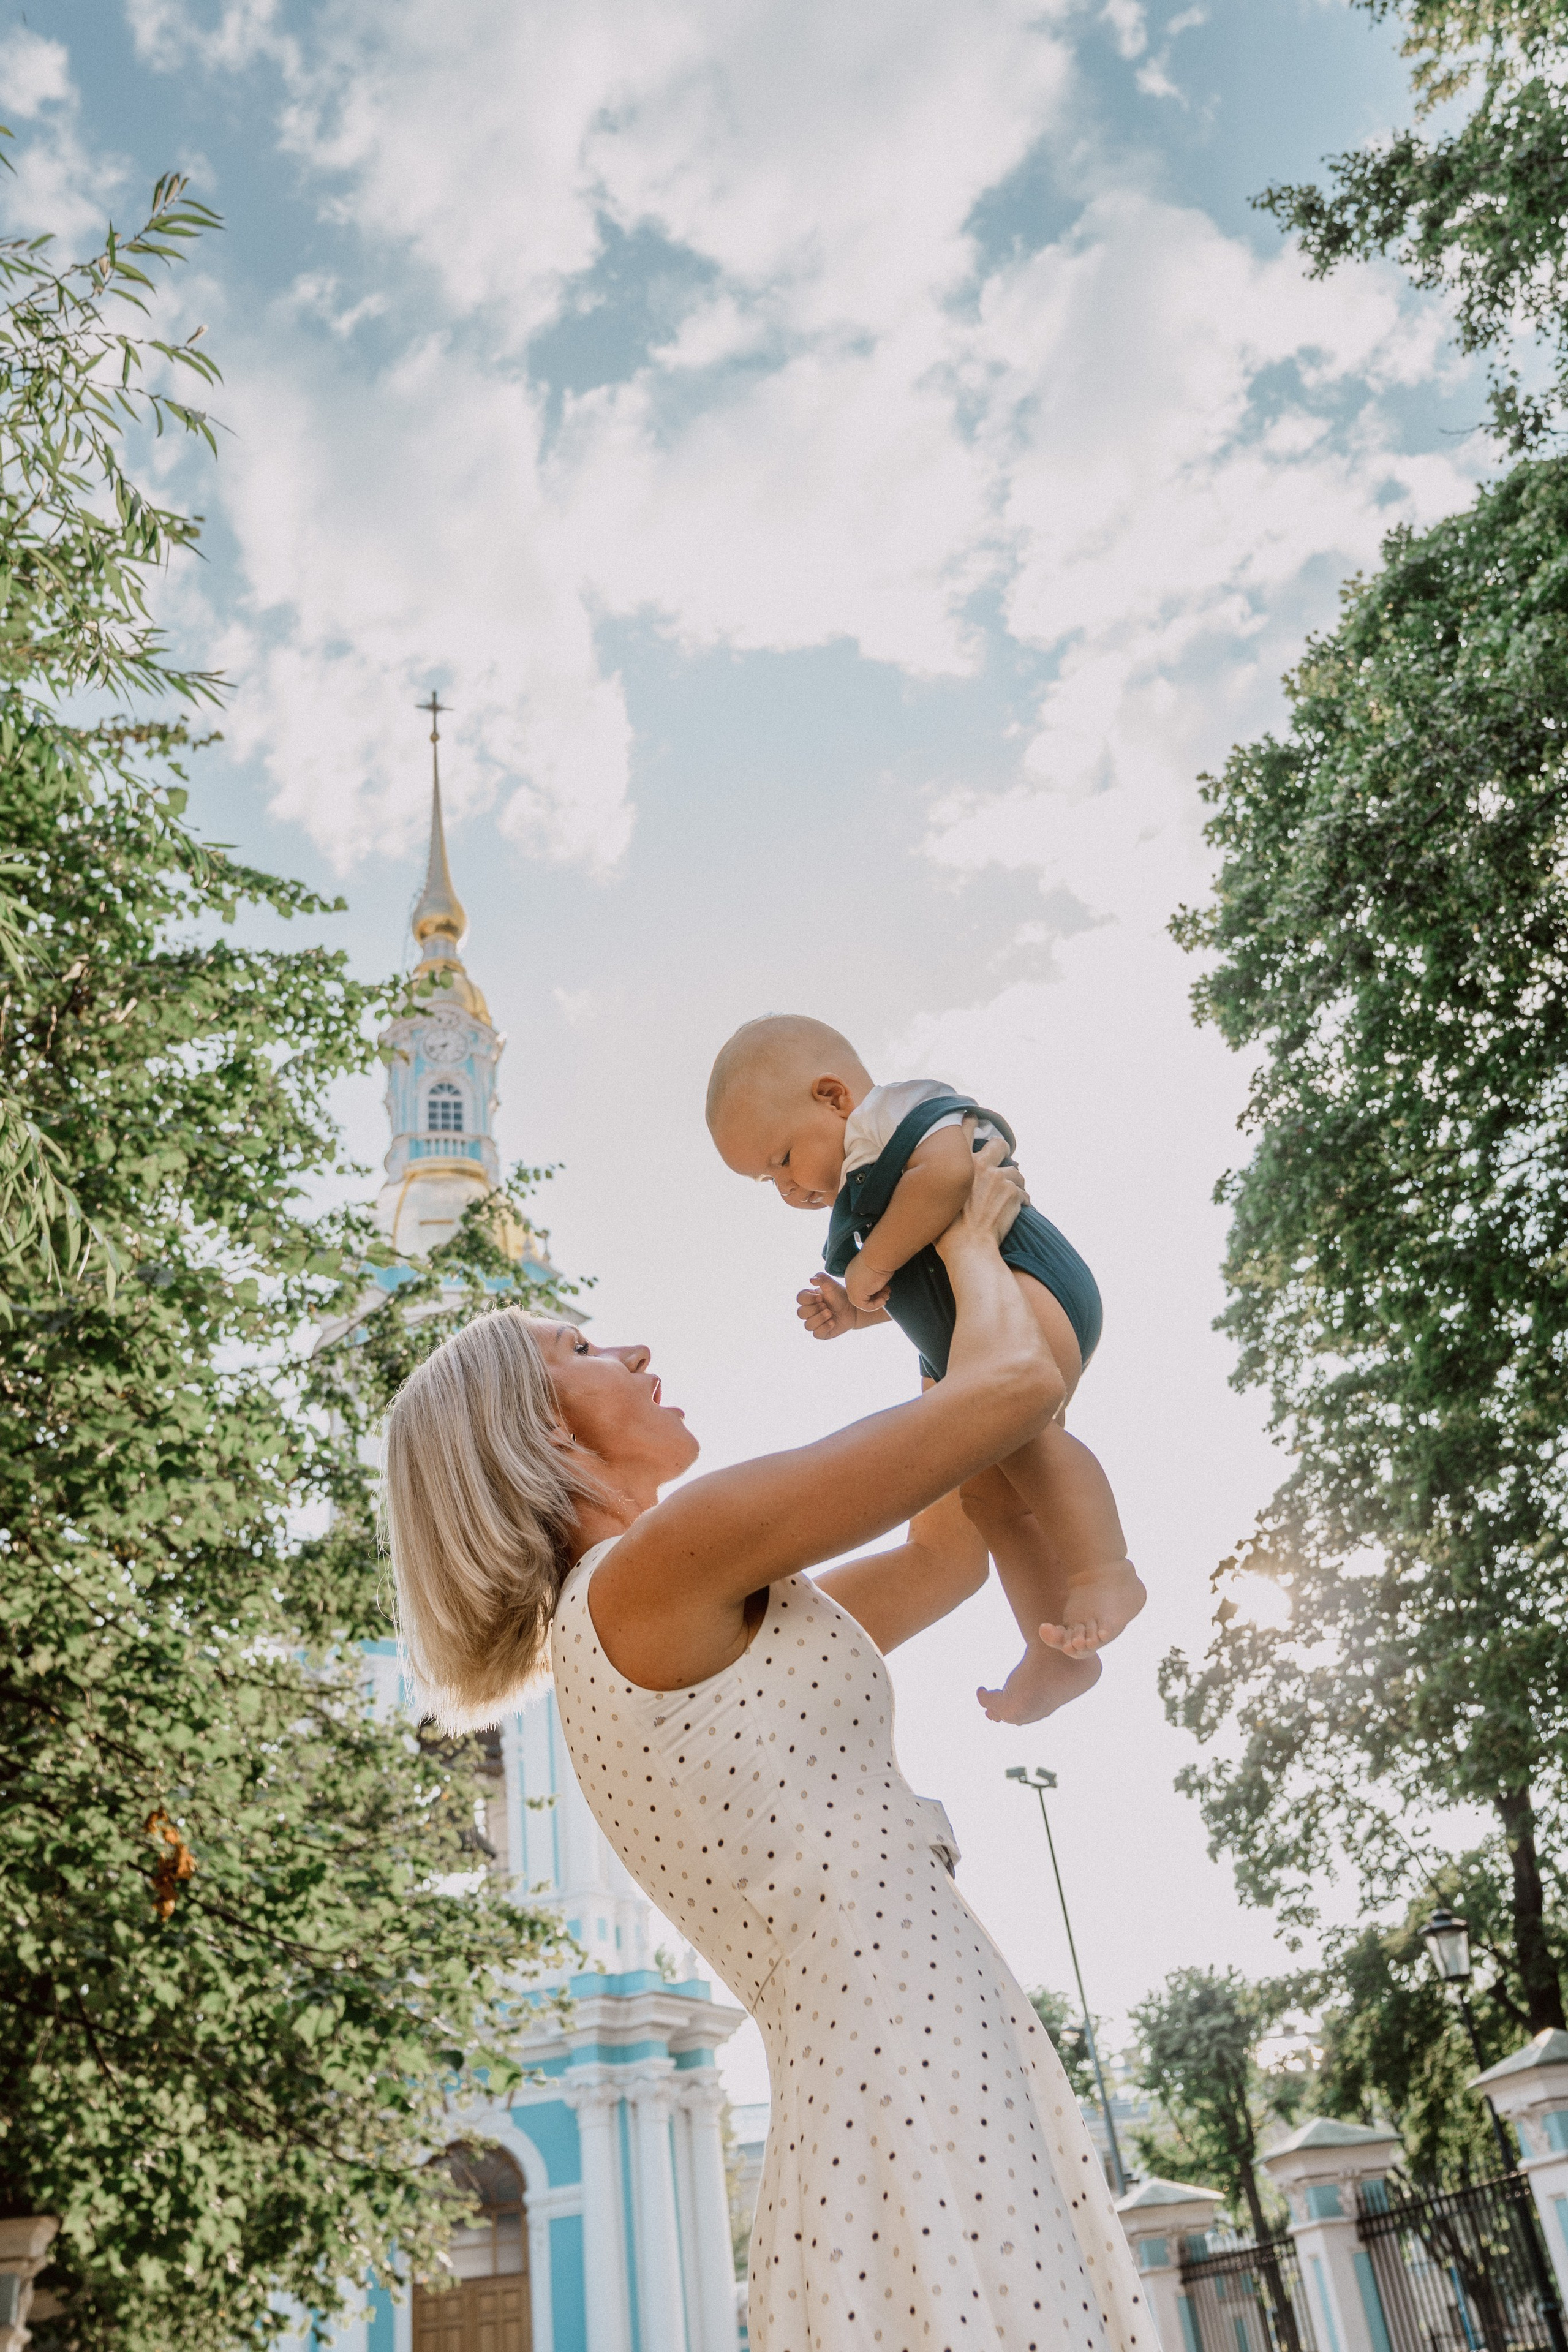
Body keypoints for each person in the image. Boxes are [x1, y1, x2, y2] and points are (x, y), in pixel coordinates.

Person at [382, 1148, 1148, 2352]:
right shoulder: (657, 1568)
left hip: (905, 2033)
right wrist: (957, 1247)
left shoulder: (672, 1609)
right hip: (901, 2042)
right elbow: (1012, 1389)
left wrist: (939, 1307)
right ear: (538, 1435)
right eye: (580, 1350)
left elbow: (942, 1556)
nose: (631, 1349)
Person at [706, 1012, 1144, 1724]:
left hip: (1028, 1282)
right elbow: (915, 1272)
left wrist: (867, 1266)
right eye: (768, 1180)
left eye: (783, 1158)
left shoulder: (893, 1113)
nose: (786, 1188)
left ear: (833, 1097)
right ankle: (1056, 1649)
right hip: (967, 1326)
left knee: (1024, 1436)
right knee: (991, 1500)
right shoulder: (867, 1189)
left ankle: (1105, 1569)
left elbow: (949, 1177)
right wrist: (857, 1311)